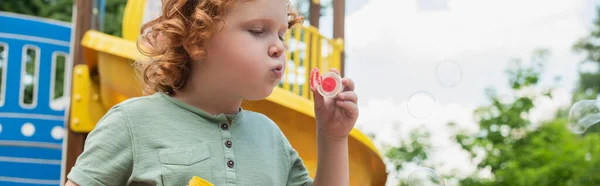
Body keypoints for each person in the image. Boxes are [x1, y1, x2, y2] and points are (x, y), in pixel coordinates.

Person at [65, 0, 358, 185]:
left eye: (282, 34)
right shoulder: (131, 123)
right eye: (257, 30)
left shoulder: (271, 137)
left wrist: (333, 137)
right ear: (196, 40)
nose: (279, 47)